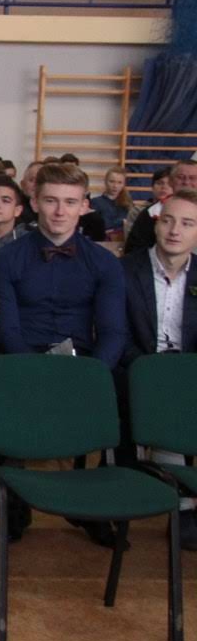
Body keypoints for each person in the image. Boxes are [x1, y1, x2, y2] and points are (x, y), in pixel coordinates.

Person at [0, 161, 127, 541]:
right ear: (35, 202)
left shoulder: (104, 262)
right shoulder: (5, 259)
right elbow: (8, 330)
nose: (59, 211)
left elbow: (113, 331)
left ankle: (93, 503)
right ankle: (14, 503)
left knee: (126, 392)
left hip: (82, 362)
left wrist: (91, 375)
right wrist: (37, 371)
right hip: (22, 357)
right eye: (51, 200)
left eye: (70, 202)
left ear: (85, 205)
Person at [118, 189, 197, 548]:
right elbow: (117, 334)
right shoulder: (125, 270)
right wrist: (150, 370)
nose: (175, 231)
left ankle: (183, 499)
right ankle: (179, 503)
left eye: (187, 223)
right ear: (156, 224)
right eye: (168, 220)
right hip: (138, 368)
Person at [125, 161, 197, 253]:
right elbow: (133, 252)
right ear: (171, 182)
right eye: (180, 177)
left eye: (193, 178)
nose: (186, 182)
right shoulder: (151, 213)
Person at [90, 167, 133, 237]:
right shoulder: (95, 202)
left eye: (119, 182)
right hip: (103, 240)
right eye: (112, 181)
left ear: (124, 184)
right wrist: (121, 222)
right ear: (105, 181)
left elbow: (131, 226)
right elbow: (97, 227)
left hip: (123, 240)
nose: (115, 186)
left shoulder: (128, 203)